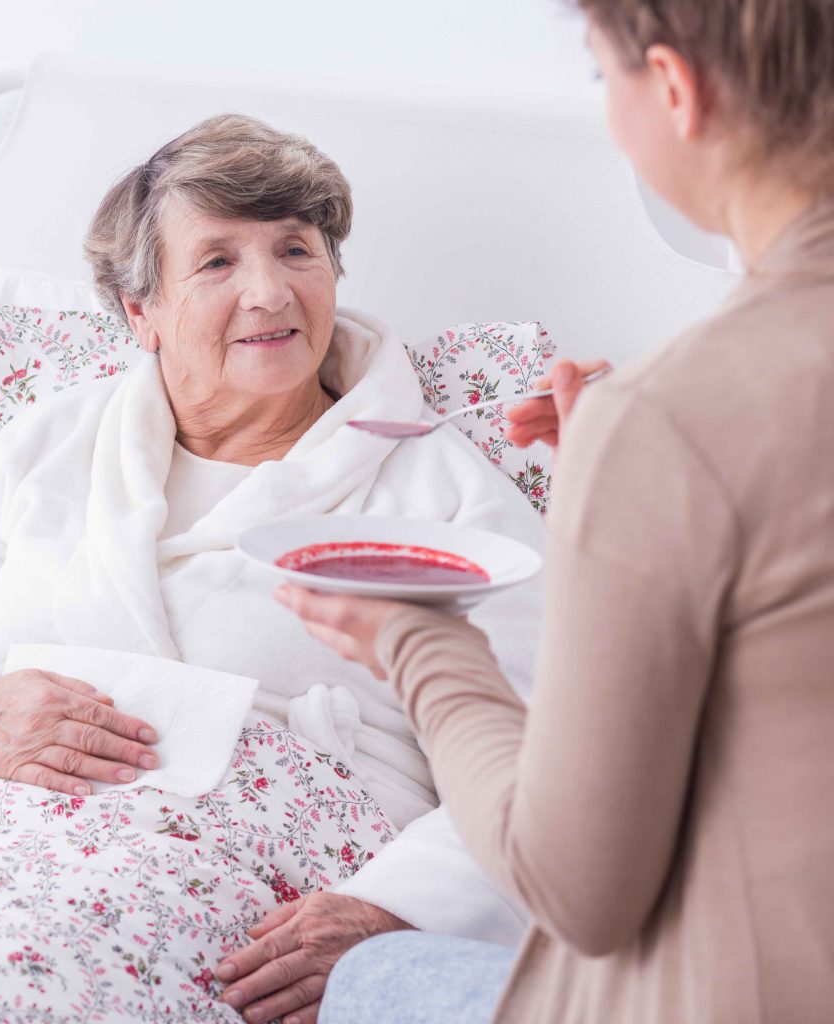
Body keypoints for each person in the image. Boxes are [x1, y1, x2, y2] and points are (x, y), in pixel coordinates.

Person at [0, 115, 542, 1023]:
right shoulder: (46, 447)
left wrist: (390, 912)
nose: (270, 292)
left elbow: (552, 762)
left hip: (216, 881)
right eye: (217, 262)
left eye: (296, 251)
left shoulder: (441, 488)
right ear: (139, 312)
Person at [279, 2, 834, 1022]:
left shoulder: (670, 420)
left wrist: (417, 642)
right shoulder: (671, 425)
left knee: (370, 978)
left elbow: (575, 886)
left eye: (601, 78)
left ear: (676, 90)